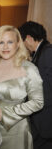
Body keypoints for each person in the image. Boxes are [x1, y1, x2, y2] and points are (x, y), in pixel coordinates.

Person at [0, 25, 44, 149]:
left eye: (10, 42)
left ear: (18, 44)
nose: (5, 47)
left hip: (16, 133)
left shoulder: (29, 69)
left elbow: (38, 102)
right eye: (1, 42)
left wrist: (5, 114)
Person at [19, 21, 52, 149]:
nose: (23, 45)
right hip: (41, 119)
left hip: (46, 119)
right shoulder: (40, 52)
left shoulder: (48, 53)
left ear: (29, 38)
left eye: (23, 40)